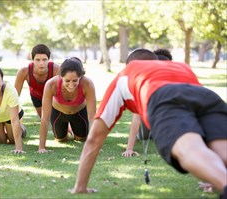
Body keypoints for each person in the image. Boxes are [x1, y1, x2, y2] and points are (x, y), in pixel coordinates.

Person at [70, 49, 227, 198]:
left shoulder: (126, 74)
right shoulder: (179, 66)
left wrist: (80, 186)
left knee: (189, 148)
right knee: (221, 147)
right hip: (208, 96)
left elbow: (95, 137)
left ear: (129, 64)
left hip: (163, 97)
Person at [38, 57, 96, 153]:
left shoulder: (87, 84)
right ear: (61, 76)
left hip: (79, 113)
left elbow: (92, 117)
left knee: (80, 139)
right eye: (67, 81)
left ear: (80, 77)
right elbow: (45, 118)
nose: (71, 85)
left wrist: (95, 146)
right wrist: (41, 147)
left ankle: (73, 130)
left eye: (75, 81)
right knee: (61, 140)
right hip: (59, 113)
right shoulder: (51, 84)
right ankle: (67, 128)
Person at [122, 48, 173, 157]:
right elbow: (136, 117)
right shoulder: (144, 85)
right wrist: (129, 149)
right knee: (144, 136)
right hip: (148, 120)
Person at [15, 44, 60, 118]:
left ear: (48, 59)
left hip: (52, 96)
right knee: (44, 118)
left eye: (44, 60)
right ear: (33, 60)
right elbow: (15, 96)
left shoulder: (57, 70)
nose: (41, 63)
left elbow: (63, 93)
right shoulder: (24, 72)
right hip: (36, 96)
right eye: (37, 60)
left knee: (55, 119)